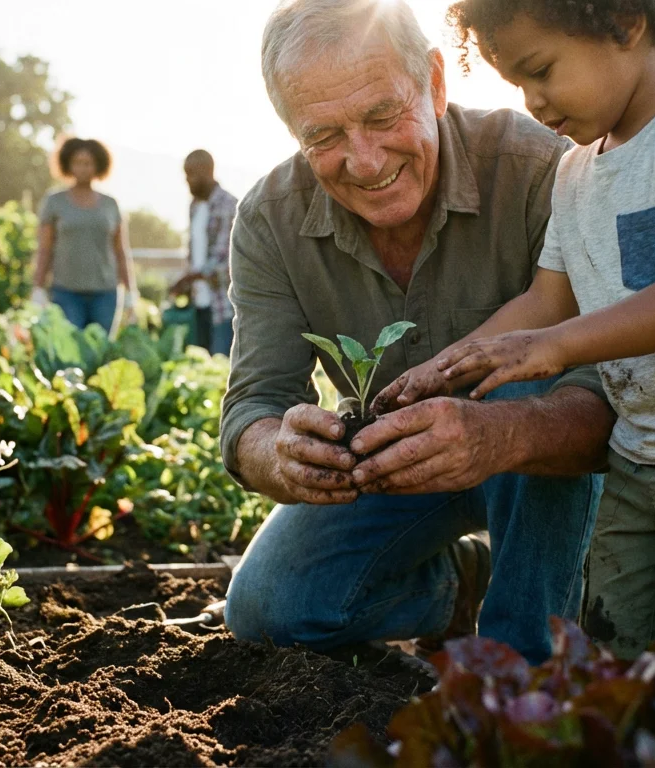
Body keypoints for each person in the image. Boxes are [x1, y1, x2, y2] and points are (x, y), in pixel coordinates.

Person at [381, 0, 655, 659]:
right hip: (642, 451)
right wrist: (447, 368)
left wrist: (553, 348)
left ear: (624, 23)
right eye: (517, 84)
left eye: (541, 70)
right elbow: (547, 299)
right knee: (612, 645)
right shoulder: (574, 171)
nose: (534, 100)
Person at [219, 0, 613, 664]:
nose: (365, 161)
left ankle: (522, 671)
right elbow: (253, 403)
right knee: (270, 609)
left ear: (435, 82)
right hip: (388, 470)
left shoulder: (541, 171)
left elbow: (609, 398)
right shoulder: (270, 220)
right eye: (324, 136)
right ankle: (460, 586)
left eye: (381, 116)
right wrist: (275, 450)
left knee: (527, 379)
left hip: (545, 468)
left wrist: (499, 432)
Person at [33, 138, 133, 333]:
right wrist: (38, 287)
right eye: (78, 163)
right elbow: (45, 249)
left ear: (97, 166)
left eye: (88, 163)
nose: (83, 169)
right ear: (68, 165)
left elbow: (121, 251)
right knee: (70, 356)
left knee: (101, 353)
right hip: (66, 292)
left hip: (105, 294)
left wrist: (131, 292)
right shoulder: (54, 202)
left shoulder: (110, 204)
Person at [170, 150, 239, 357]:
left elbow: (227, 260)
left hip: (223, 305)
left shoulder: (229, 205)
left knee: (221, 363)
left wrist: (190, 277)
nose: (187, 181)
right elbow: (195, 254)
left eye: (190, 174)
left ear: (206, 171)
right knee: (199, 364)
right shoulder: (195, 207)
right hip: (199, 302)